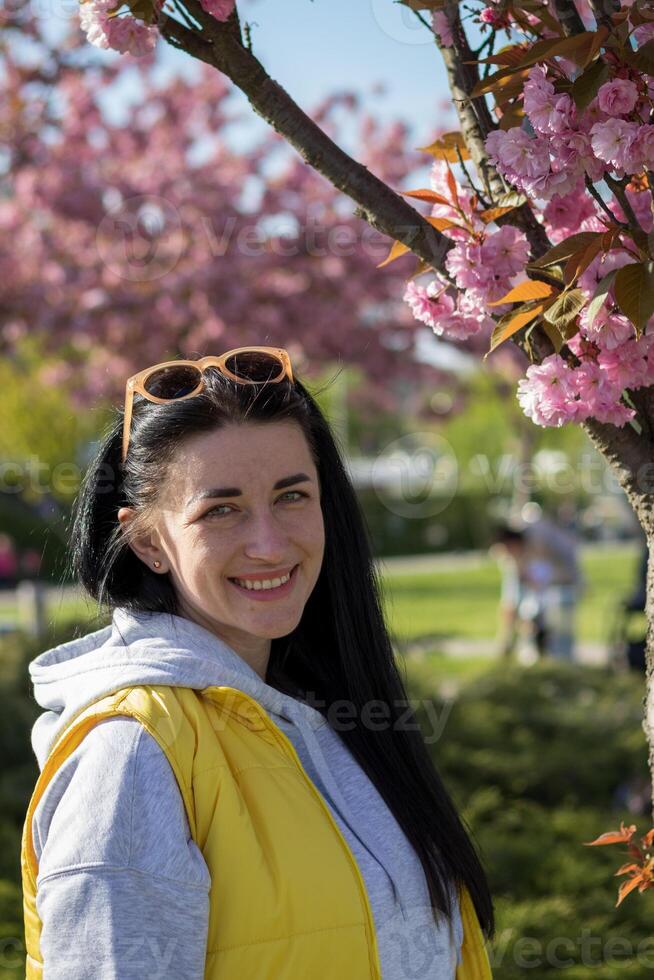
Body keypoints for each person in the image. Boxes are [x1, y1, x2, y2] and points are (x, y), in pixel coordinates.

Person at [21, 348, 494, 979]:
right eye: (221, 510)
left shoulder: (327, 713)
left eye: (291, 496)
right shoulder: (133, 755)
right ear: (148, 541)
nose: (270, 544)